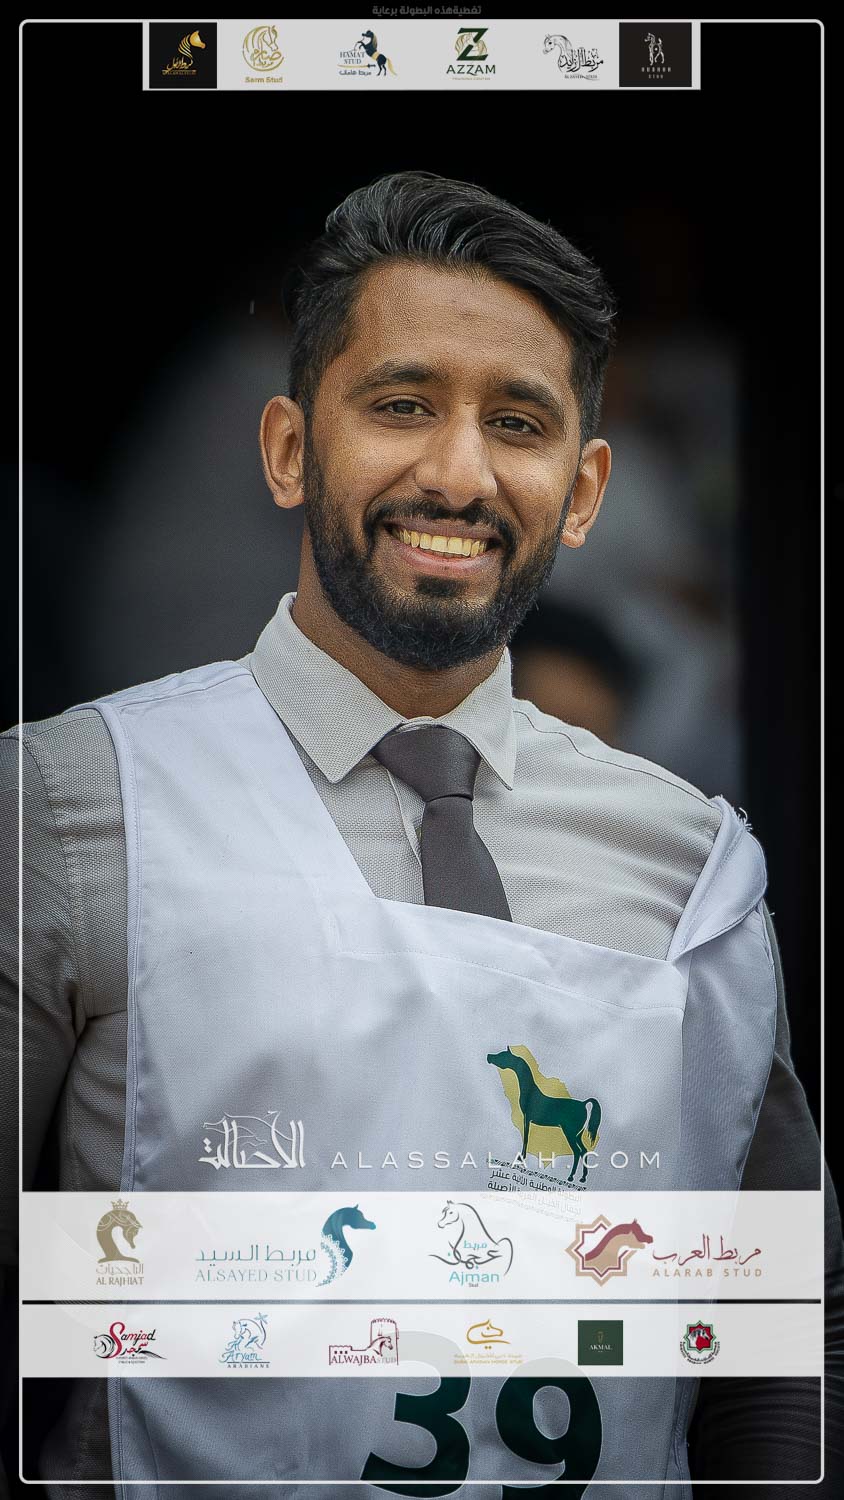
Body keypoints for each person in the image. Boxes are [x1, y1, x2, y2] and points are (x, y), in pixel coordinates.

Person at [2, 170, 839, 1499]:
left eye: (518, 422)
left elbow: (772, 1326)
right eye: (401, 405)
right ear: (288, 449)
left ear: (582, 489)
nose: (457, 474)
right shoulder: (71, 804)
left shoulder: (690, 867)